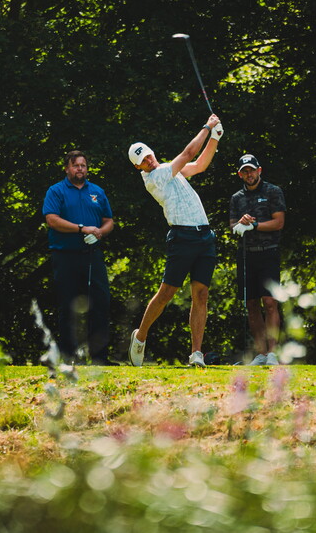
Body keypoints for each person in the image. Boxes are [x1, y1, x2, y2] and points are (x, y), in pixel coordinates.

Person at [126, 114, 224, 368]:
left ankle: (196, 354)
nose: (148, 160)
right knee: (167, 293)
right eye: (142, 160)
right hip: (182, 237)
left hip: (205, 236)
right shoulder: (154, 178)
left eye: (148, 155)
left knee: (201, 294)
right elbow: (189, 152)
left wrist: (214, 138)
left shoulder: (167, 169)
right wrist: (207, 126)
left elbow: (199, 165)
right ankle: (141, 336)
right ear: (138, 168)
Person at [42, 150, 115, 364]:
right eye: (75, 165)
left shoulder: (97, 192)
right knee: (67, 306)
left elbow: (108, 220)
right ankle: (69, 357)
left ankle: (100, 357)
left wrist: (100, 232)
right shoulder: (56, 191)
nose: (80, 169)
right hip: (65, 256)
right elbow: (52, 220)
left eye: (83, 165)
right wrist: (81, 229)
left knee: (100, 304)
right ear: (67, 168)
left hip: (92, 256)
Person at [229, 153, 286, 365]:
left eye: (252, 170)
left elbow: (279, 222)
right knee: (251, 304)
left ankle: (272, 353)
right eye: (244, 171)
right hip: (246, 254)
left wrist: (254, 225)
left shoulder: (273, 191)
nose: (249, 174)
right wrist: (241, 223)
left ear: (259, 170)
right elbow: (233, 227)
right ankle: (261, 354)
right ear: (240, 174)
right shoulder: (236, 198)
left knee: (270, 302)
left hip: (268, 252)